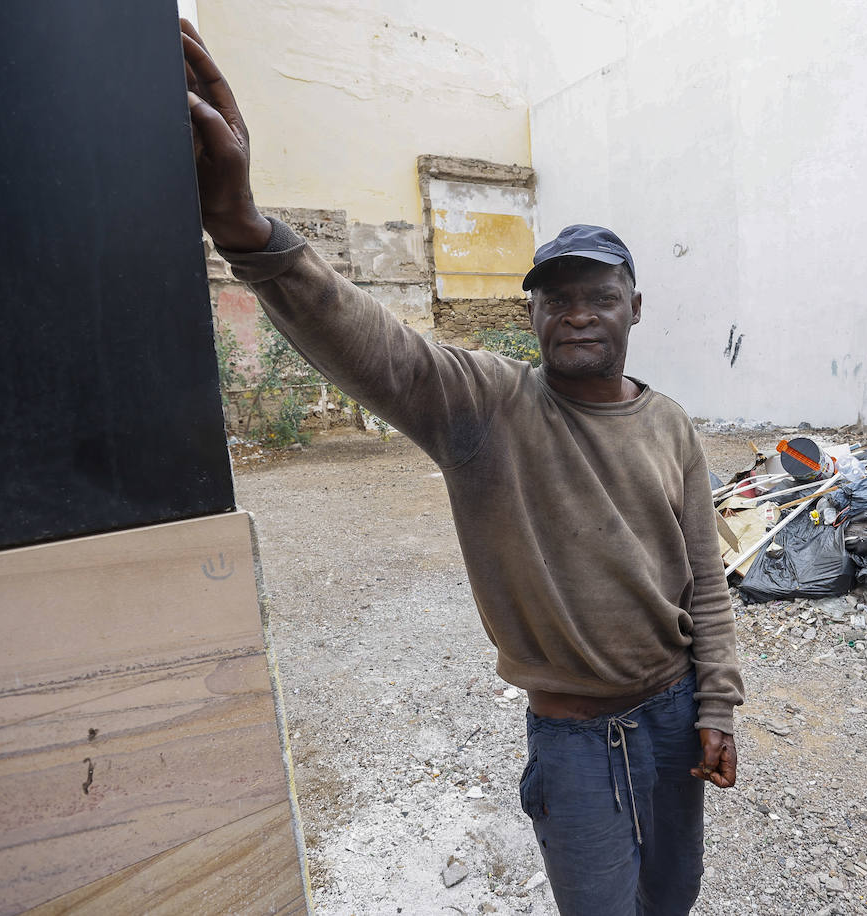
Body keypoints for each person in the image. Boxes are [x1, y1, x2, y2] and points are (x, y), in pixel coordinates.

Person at [180, 20, 744, 915]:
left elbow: (706, 584)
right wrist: (249, 232)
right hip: (571, 738)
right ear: (533, 319)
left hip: (675, 716)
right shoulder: (488, 407)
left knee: (674, 898)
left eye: (599, 296)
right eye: (555, 300)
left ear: (635, 306)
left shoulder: (670, 424)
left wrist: (718, 706)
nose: (577, 315)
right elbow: (376, 345)